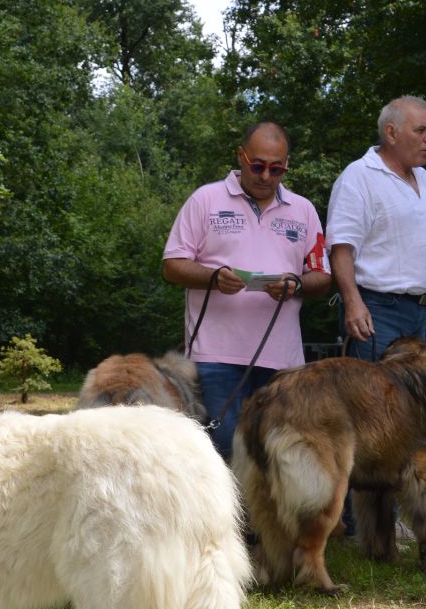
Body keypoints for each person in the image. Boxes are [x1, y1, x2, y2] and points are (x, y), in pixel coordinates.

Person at [162, 121, 332, 459]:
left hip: (283, 361)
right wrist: (213, 277)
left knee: (280, 457)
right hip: (215, 358)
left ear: (286, 165)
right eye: (257, 166)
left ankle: (266, 515)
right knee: (223, 453)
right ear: (241, 157)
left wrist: (295, 284)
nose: (266, 176)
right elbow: (172, 265)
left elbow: (322, 275)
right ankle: (227, 515)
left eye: (276, 168)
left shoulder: (304, 210)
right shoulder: (205, 200)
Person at [326, 95, 426, 360]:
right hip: (378, 312)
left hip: (422, 311)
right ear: (391, 133)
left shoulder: (425, 178)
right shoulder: (358, 176)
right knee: (376, 400)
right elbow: (341, 249)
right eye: (420, 131)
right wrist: (352, 302)